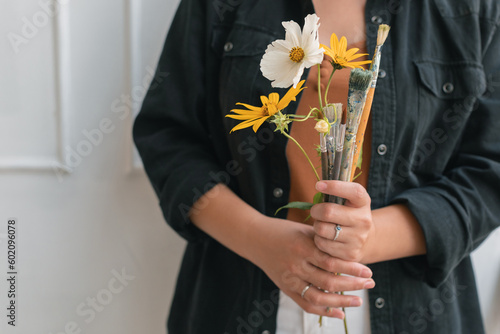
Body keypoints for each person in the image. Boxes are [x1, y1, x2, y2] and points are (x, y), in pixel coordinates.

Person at [133, 0, 500, 333]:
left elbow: (491, 168)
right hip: (240, 295)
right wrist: (260, 241)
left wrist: (367, 239)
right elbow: (168, 136)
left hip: (409, 303)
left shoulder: (474, 9)